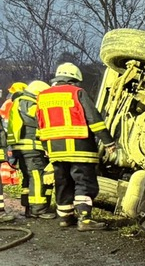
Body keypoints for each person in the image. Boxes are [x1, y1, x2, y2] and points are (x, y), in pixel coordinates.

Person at [36, 63, 115, 231]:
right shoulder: (77, 93)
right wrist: (108, 142)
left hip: (55, 149)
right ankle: (85, 219)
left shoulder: (43, 96)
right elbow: (94, 119)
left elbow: (40, 124)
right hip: (80, 147)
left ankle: (65, 217)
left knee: (62, 182)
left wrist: (45, 146)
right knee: (83, 182)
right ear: (75, 79)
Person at [7, 80, 55, 218]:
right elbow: (39, 119)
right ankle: (38, 209)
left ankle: (28, 207)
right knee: (37, 177)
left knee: (28, 178)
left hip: (22, 148)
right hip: (31, 148)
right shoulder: (28, 102)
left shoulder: (19, 102)